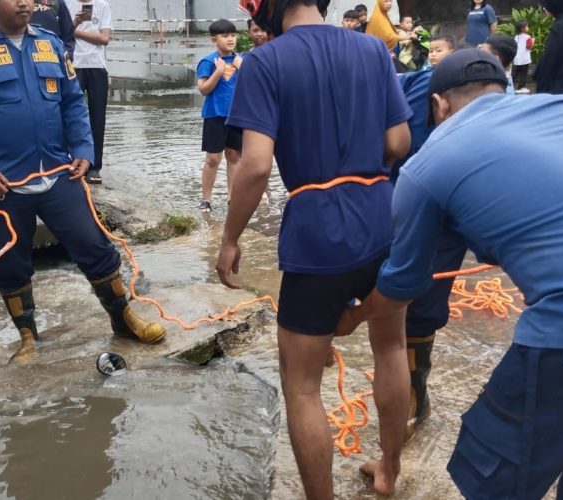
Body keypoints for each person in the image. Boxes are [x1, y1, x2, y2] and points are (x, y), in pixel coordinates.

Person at [337, 48, 563, 499]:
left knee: (493, 470)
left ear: (438, 104)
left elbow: (401, 287)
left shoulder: (427, 165)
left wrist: (353, 317)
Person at [218, 0, 413, 496]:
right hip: (381, 218)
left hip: (317, 232)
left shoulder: (265, 61)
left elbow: (256, 165)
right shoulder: (373, 49)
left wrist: (230, 238)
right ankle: (389, 471)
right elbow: (399, 143)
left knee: (302, 384)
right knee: (391, 346)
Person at [0, 0, 166, 364]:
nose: (25, 3)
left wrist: (83, 148)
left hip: (58, 173)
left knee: (94, 245)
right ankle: (28, 337)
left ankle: (122, 319)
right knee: (10, 261)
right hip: (3, 184)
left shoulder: (51, 44)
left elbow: (72, 102)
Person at [392, 35, 461, 441]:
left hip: (447, 212)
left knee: (422, 304)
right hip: (399, 195)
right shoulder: (407, 88)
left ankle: (415, 394)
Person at [196, 19, 242, 214]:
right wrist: (219, 72)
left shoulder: (242, 61)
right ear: (214, 39)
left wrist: (243, 68)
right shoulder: (208, 62)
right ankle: (206, 199)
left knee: (234, 156)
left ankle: (233, 197)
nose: (230, 39)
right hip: (215, 115)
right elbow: (203, 89)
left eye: (232, 35)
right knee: (213, 158)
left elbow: (254, 86)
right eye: (225, 36)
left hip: (238, 116)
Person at [69, 0, 112, 185]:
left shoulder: (102, 5)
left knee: (97, 118)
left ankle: (94, 166)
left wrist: (75, 32)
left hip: (96, 66)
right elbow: (60, 34)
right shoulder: (66, 4)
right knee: (72, 116)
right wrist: (74, 23)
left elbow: (104, 39)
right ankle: (72, 162)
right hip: (73, 66)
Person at [512, 20, 532, 94]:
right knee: (523, 74)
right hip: (525, 59)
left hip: (517, 59)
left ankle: (510, 86)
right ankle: (520, 87)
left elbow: (515, 46)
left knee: (514, 74)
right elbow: (528, 47)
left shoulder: (516, 37)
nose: (528, 27)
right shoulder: (528, 37)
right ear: (522, 29)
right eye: (527, 26)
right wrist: (533, 41)